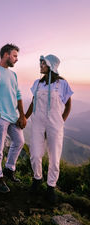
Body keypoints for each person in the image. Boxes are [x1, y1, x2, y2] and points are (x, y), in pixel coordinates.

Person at [25, 54, 73, 203]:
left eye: (43, 63)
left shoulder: (62, 84)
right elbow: (33, 103)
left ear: (51, 66)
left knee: (54, 156)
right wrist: (24, 118)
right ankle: (37, 178)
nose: (40, 65)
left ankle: (51, 186)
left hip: (55, 124)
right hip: (37, 122)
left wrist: (60, 122)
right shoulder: (38, 84)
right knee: (35, 153)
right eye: (40, 63)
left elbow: (68, 105)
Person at [0, 44, 27, 193]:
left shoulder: (13, 75)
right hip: (1, 118)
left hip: (14, 117)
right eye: (14, 56)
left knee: (20, 142)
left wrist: (22, 115)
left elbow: (18, 96)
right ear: (6, 55)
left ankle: (9, 169)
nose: (16, 59)